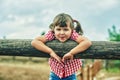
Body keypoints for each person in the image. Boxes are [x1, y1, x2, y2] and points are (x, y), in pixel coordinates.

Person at [31, 13, 92, 80]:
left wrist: (71, 53)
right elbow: (35, 42)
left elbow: (87, 42)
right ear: (54, 29)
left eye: (65, 29)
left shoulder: (73, 35)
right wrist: (51, 52)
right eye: (58, 29)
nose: (62, 33)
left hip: (70, 74)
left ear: (71, 30)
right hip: (55, 73)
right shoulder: (52, 35)